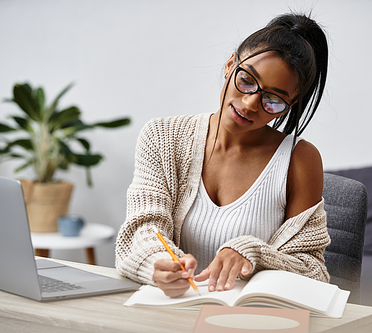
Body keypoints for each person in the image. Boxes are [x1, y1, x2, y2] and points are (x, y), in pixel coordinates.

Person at [115, 12, 331, 298]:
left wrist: (252, 253)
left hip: (249, 321)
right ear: (231, 64)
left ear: (290, 105)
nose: (251, 103)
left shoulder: (300, 159)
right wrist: (158, 264)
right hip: (171, 309)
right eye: (247, 80)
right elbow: (142, 231)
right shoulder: (162, 136)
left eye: (273, 100)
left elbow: (313, 271)